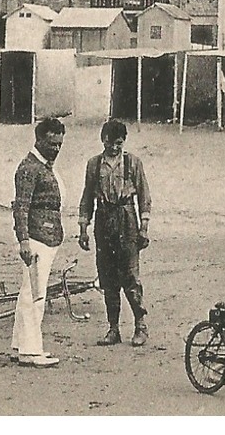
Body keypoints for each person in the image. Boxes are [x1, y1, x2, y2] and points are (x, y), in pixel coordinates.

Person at [77, 119, 152, 347]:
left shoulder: (133, 163)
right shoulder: (93, 164)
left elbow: (144, 197)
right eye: (111, 143)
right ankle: (113, 329)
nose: (115, 147)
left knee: (130, 276)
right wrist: (83, 229)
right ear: (103, 140)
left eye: (119, 143)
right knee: (107, 277)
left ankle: (140, 325)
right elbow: (87, 197)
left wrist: (144, 228)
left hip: (127, 219)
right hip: (103, 220)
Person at [11, 117, 66, 368]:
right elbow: (20, 208)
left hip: (46, 237)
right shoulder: (29, 168)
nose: (56, 149)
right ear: (39, 139)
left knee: (30, 291)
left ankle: (18, 346)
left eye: (59, 144)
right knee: (35, 294)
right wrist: (24, 241)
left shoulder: (41, 165)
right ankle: (30, 351)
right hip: (36, 239)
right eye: (52, 143)